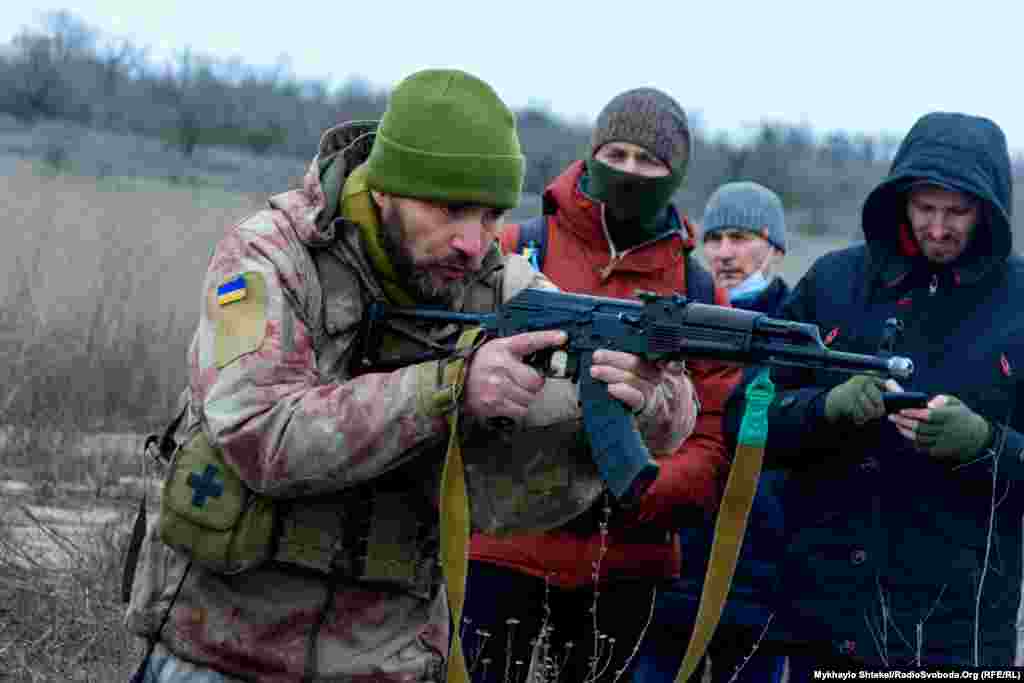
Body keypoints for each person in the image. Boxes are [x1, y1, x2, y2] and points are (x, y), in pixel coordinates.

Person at [122, 69, 696, 683]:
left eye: (492, 214)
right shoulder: (264, 260)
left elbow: (670, 416)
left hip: (386, 659)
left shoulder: (497, 283)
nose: (474, 243)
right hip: (221, 650)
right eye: (451, 211)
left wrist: (649, 395)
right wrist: (451, 389)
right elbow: (259, 433)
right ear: (388, 189)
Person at [723, 111, 1024, 672]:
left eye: (956, 211)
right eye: (925, 208)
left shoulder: (1020, 302)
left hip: (962, 638)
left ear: (988, 209)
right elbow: (743, 417)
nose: (938, 228)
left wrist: (984, 442)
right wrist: (826, 408)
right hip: (828, 626)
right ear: (900, 200)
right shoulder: (833, 283)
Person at [461, 87, 740, 683]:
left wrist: (636, 483)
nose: (630, 173)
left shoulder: (694, 285)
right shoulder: (516, 249)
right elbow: (453, 376)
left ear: (676, 173)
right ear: (591, 155)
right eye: (616, 153)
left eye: (650, 162)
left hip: (625, 565)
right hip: (502, 551)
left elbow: (713, 439)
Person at [634, 181, 792, 683]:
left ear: (776, 249)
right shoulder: (678, 319)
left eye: (742, 237)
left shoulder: (801, 326)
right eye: (715, 238)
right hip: (673, 566)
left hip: (761, 572)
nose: (725, 253)